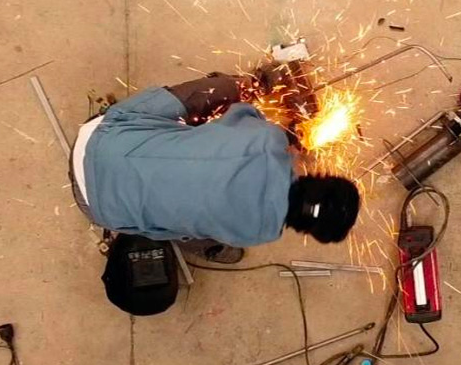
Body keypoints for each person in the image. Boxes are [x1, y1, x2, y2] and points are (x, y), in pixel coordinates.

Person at [70, 72, 361, 268]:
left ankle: (254, 82)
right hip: (101, 208)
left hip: (104, 136)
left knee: (216, 94)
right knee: (185, 223)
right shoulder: (254, 233)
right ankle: (210, 248)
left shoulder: (265, 139)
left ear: (320, 178)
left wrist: (288, 138)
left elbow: (240, 114)